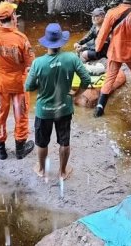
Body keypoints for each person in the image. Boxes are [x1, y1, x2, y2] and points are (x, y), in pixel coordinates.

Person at [25, 23, 91, 180]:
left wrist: (37, 77)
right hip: (64, 108)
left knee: (42, 142)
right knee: (64, 141)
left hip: (44, 110)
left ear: (46, 42)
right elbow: (86, 79)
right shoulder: (71, 58)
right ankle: (62, 172)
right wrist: (76, 93)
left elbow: (29, 86)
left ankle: (41, 169)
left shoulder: (38, 63)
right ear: (61, 41)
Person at [0, 2, 35, 160]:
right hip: (19, 83)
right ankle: (20, 148)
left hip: (0, 83)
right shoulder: (20, 38)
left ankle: (0, 149)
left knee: (0, 114)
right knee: (21, 115)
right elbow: (30, 63)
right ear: (13, 17)